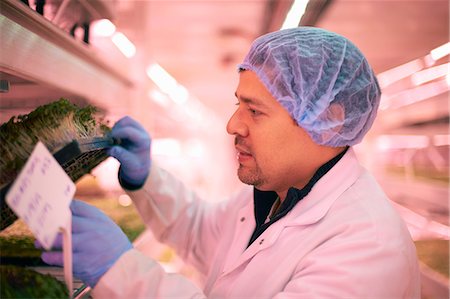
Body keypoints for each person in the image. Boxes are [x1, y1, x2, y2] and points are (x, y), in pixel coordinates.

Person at [38, 27, 421, 298]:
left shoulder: (368, 247)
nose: (232, 125)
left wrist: (121, 271)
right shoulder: (277, 191)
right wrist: (146, 180)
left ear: (329, 118)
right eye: (238, 104)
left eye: (255, 111)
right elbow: (202, 233)